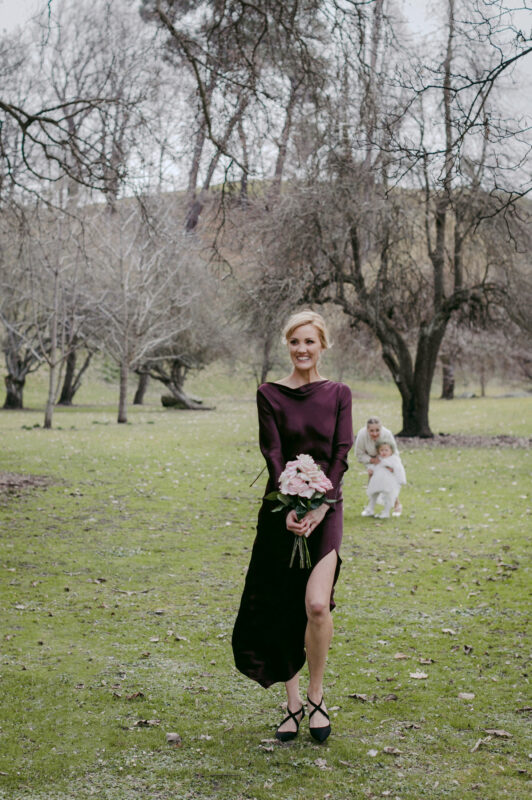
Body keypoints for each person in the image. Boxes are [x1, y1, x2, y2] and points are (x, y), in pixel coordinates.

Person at [232, 310, 353, 743]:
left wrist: (321, 506)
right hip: (280, 509)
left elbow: (341, 453)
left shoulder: (339, 393)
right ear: (288, 345)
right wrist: (289, 505)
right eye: (295, 342)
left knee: (317, 605)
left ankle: (318, 696)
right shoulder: (270, 393)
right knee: (285, 604)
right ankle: (293, 702)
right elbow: (273, 451)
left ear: (323, 345)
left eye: (310, 342)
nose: (302, 350)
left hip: (328, 507)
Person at [354, 417, 402, 516]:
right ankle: (370, 508)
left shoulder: (387, 434)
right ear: (367, 429)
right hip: (370, 460)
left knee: (388, 483)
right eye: (371, 431)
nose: (375, 433)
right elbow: (359, 454)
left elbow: (394, 452)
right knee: (373, 483)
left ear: (381, 428)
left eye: (377, 430)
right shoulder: (362, 435)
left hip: (387, 461)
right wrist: (372, 461)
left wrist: (392, 466)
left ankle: (395, 505)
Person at [362, 441, 406, 518]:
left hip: (388, 482)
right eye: (381, 450)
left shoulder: (394, 460)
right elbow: (375, 467)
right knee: (373, 495)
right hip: (377, 481)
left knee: (388, 497)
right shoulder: (378, 459)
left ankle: (386, 512)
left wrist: (399, 478)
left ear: (391, 451)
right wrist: (371, 470)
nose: (384, 452)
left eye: (386, 450)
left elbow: (399, 469)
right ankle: (370, 509)